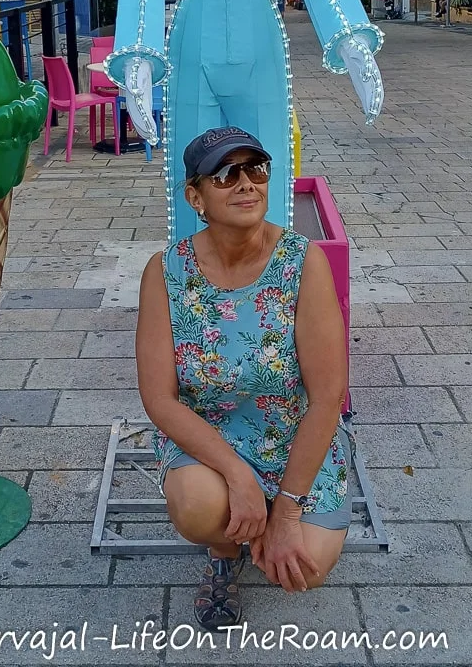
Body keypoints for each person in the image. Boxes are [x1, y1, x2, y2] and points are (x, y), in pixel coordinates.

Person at [136, 126, 354, 631]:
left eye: (255, 169)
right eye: (225, 174)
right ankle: (223, 547)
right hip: (211, 438)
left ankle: (267, 516)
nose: (246, 184)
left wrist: (287, 513)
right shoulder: (165, 272)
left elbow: (327, 397)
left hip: (290, 435)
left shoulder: (301, 262)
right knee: (197, 507)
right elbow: (159, 398)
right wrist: (237, 476)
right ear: (196, 197)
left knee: (307, 569)